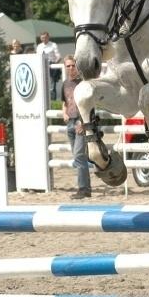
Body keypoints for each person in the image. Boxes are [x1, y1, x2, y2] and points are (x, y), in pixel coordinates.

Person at [61, 55, 91, 199]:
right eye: (68, 66)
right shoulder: (65, 84)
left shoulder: (83, 83)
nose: (71, 68)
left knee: (79, 156)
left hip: (80, 123)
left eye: (73, 65)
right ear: (65, 67)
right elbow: (64, 102)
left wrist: (83, 123)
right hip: (70, 123)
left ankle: (83, 189)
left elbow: (89, 105)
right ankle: (86, 188)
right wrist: (64, 113)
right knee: (79, 157)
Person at [36, 32, 62, 99]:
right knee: (42, 87)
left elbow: (59, 57)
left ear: (48, 37)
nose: (44, 39)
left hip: (51, 68)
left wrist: (54, 64)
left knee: (51, 87)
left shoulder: (53, 45)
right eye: (42, 38)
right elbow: (37, 57)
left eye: (45, 37)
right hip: (41, 68)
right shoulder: (39, 46)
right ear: (40, 38)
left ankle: (53, 102)